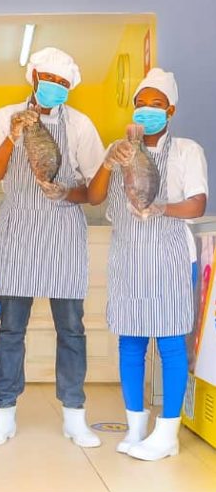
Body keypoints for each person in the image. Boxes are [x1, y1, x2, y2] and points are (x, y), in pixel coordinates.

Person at [0, 47, 105, 448]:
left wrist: (66, 192)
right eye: (49, 79)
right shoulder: (6, 116)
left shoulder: (80, 125)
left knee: (72, 330)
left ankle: (74, 417)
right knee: (11, 329)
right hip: (19, 234)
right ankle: (4, 415)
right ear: (33, 77)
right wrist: (12, 137)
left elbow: (95, 192)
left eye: (62, 83)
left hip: (63, 234)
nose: (54, 87)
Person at [88, 68, 208, 461]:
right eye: (141, 103)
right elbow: (96, 197)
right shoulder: (121, 151)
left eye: (157, 104)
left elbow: (198, 204)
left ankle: (167, 433)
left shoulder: (187, 150)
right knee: (131, 342)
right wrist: (108, 162)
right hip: (129, 258)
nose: (147, 110)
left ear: (170, 110)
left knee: (171, 342)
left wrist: (160, 208)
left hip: (169, 258)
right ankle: (137, 426)